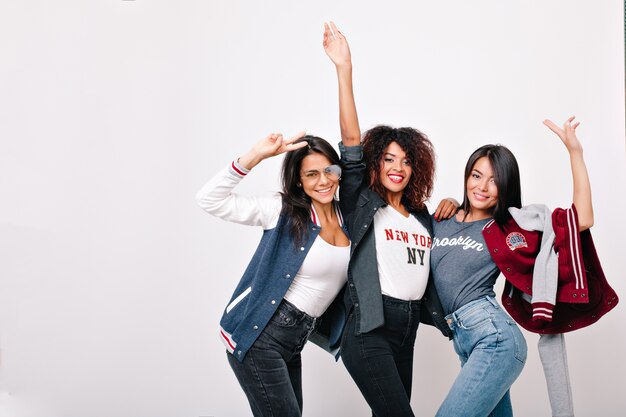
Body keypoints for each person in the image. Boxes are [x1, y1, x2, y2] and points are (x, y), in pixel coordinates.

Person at [323, 22, 457, 416]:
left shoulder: (421, 218)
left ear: (418, 168)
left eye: (406, 160)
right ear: (376, 163)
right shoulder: (360, 201)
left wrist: (451, 204)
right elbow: (349, 143)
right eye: (388, 158)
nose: (398, 166)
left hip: (408, 329)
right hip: (369, 327)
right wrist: (344, 69)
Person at [429, 116, 596, 417]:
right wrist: (451, 202)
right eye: (476, 176)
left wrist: (575, 153)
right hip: (464, 342)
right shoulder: (441, 219)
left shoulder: (509, 226)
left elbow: (581, 219)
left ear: (506, 186)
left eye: (494, 180)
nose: (482, 187)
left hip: (494, 338)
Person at [196, 131, 350, 417]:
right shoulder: (283, 210)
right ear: (299, 181)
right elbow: (209, 200)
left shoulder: (348, 218)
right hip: (260, 336)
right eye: (312, 174)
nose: (324, 180)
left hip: (295, 341)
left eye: (329, 170)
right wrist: (255, 156)